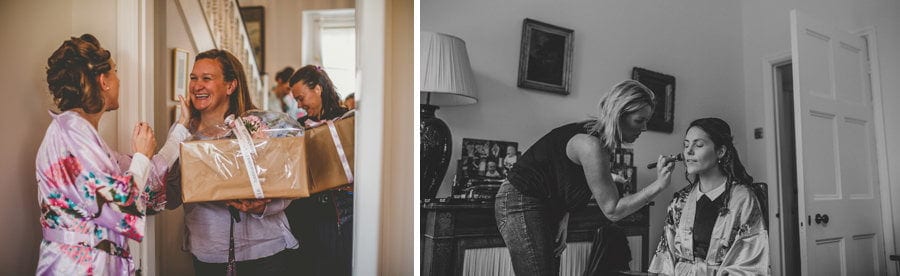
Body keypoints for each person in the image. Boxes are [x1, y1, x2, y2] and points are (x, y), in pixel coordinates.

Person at [36, 34, 191, 275]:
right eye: (115, 71)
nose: (119, 79)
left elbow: (147, 179)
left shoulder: (84, 138)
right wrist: (140, 157)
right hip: (77, 266)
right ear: (103, 82)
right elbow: (120, 205)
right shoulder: (71, 134)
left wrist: (181, 127)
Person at [495, 80, 676, 275]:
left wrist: (563, 217)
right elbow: (613, 210)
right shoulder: (590, 145)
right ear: (619, 115)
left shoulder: (599, 140)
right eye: (639, 120)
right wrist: (659, 184)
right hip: (520, 200)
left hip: (545, 205)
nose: (645, 128)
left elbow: (562, 178)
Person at [165, 49, 298, 275]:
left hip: (264, 250)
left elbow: (287, 187)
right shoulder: (183, 134)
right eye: (193, 78)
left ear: (230, 86)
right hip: (210, 253)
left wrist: (263, 206)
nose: (197, 86)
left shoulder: (258, 128)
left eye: (207, 78)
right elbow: (170, 197)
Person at [648, 118, 768, 275]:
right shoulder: (680, 200)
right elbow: (665, 256)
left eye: (698, 145)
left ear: (721, 151)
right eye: (686, 145)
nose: (689, 151)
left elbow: (750, 262)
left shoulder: (743, 199)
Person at [285, 64, 353, 275]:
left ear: (318, 89)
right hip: (307, 209)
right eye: (296, 99)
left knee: (339, 263)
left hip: (343, 206)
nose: (300, 104)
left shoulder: (349, 120)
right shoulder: (298, 126)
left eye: (301, 97)